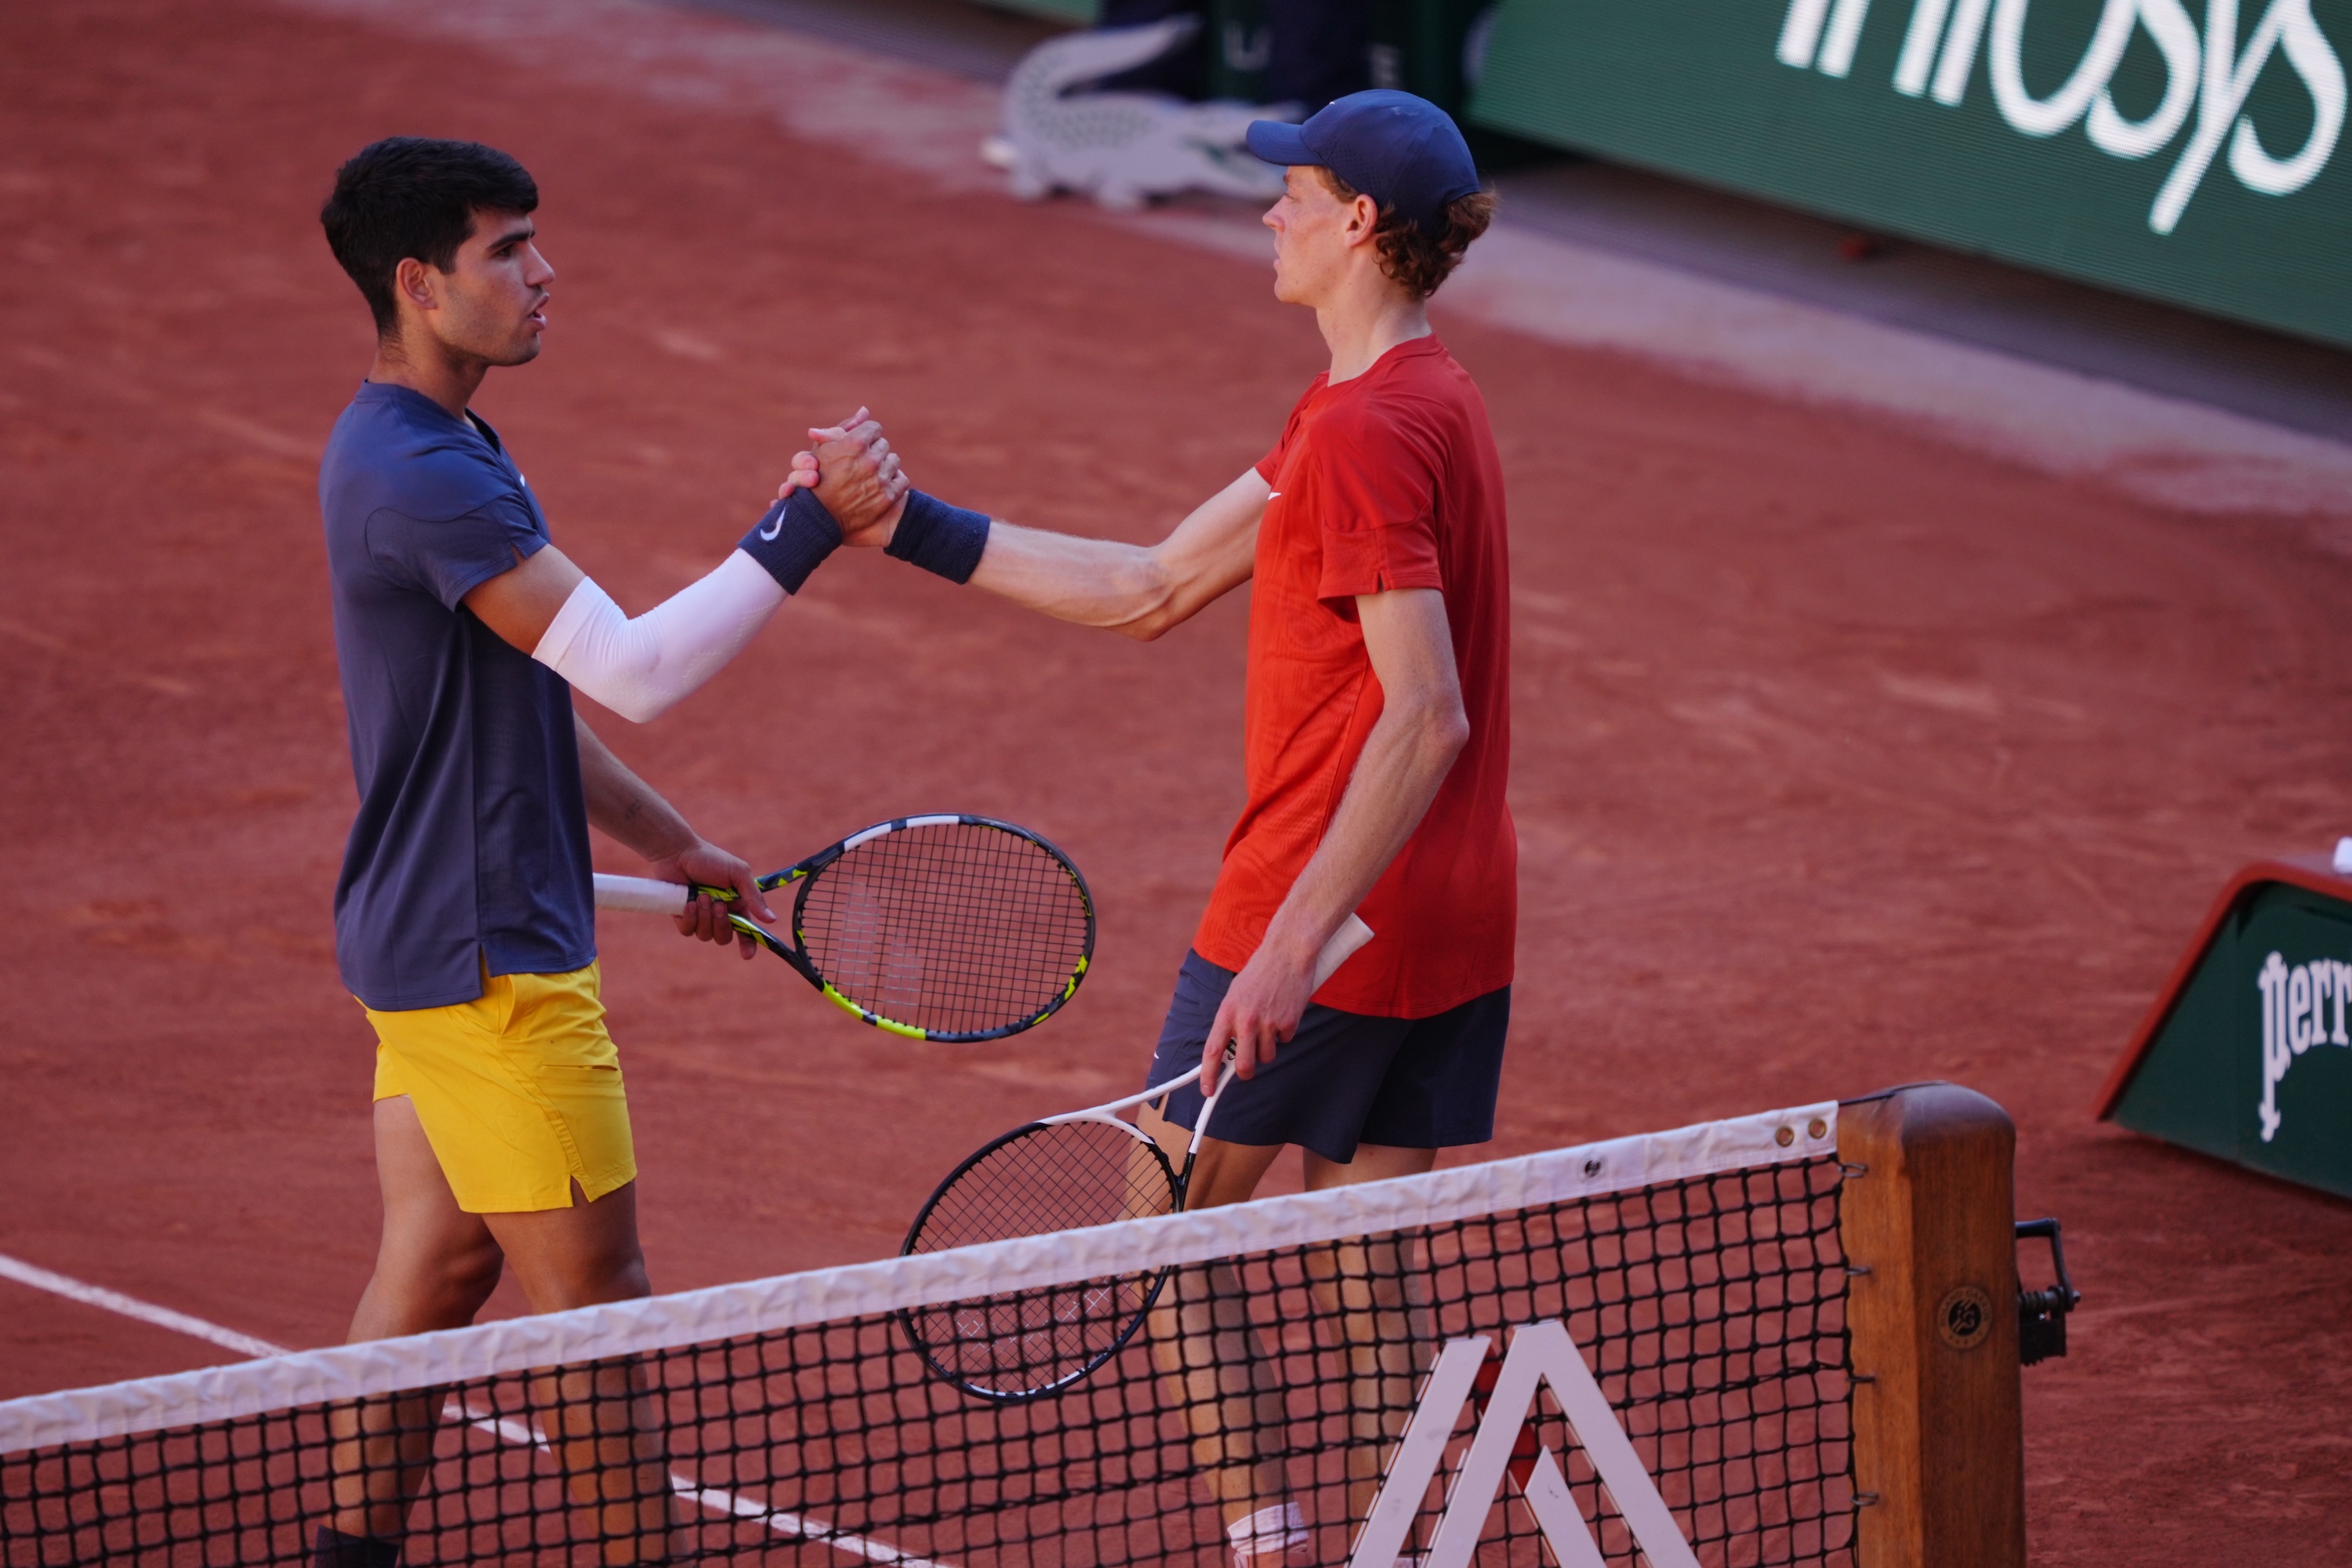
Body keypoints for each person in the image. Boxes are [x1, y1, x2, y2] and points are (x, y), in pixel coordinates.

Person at [832, 89, 1510, 1568]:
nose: (1269, 208)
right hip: (1455, 908)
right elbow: (1148, 585)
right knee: (1364, 1273)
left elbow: (1427, 714)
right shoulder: (1415, 399)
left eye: (1295, 190)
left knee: (1166, 1228)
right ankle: (1413, 1550)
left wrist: (1283, 952)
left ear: (1359, 226)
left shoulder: (1362, 438)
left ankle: (1268, 1544)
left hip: (1323, 905)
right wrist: (903, 528)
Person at [310, 136, 902, 1568]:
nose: (542, 271)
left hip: (426, 941)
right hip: (495, 969)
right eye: (506, 250)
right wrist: (806, 525)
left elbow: (525, 703)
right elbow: (633, 666)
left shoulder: (428, 443)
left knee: (441, 1265)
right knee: (600, 1310)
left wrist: (673, 838)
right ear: (419, 283)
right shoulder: (429, 476)